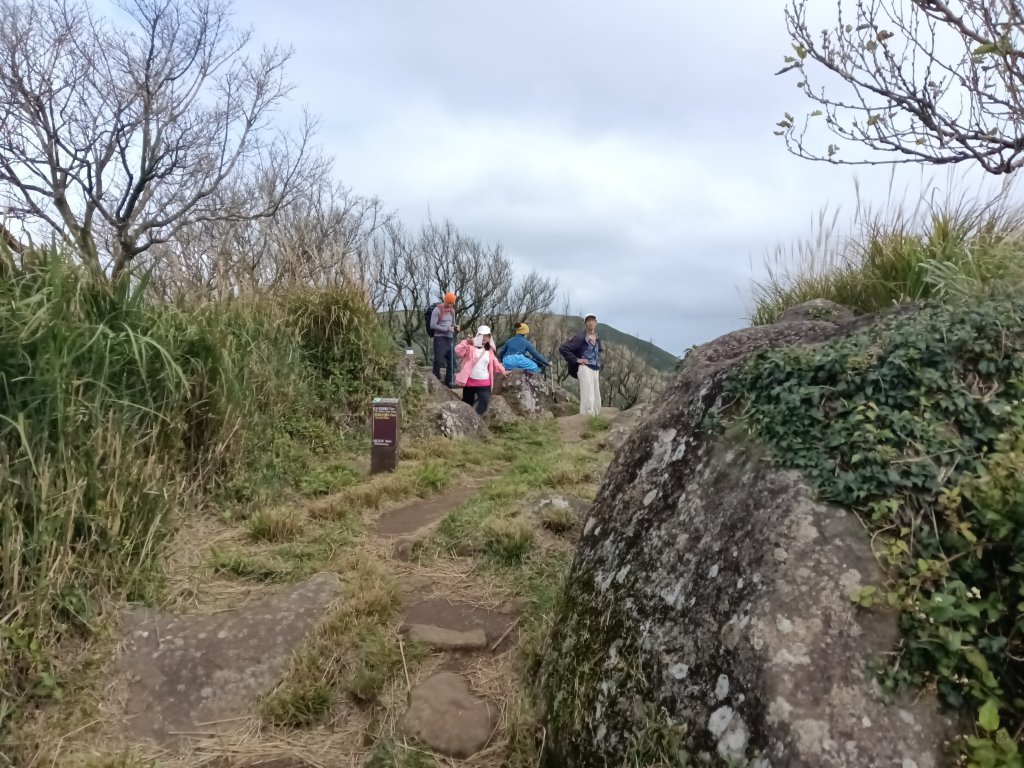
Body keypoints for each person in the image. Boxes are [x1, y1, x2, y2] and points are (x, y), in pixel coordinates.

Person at [455, 325, 507, 416]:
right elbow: (458, 351)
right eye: (482, 335)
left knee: (483, 405)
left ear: (490, 337)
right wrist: (466, 342)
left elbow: (495, 361)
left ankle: (477, 421)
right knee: (467, 404)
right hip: (470, 382)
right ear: (478, 335)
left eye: (487, 335)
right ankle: (468, 422)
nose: (484, 338)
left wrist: (503, 370)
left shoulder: (489, 350)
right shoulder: (470, 347)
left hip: (484, 383)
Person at [559, 313, 603, 416]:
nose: (590, 322)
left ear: (596, 323)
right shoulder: (580, 337)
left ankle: (595, 418)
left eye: (592, 320)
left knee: (596, 394)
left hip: (595, 369)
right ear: (585, 323)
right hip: (585, 368)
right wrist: (576, 359)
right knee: (588, 394)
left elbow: (598, 351)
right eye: (588, 321)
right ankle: (586, 417)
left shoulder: (597, 338)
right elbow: (563, 348)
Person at [429, 292, 459, 387]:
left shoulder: (452, 311)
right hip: (439, 338)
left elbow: (453, 323)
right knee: (438, 360)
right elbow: (432, 325)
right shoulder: (437, 310)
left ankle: (449, 381)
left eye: (452, 303)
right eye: (448, 303)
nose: (450, 305)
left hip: (449, 338)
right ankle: (435, 379)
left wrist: (456, 327)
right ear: (445, 300)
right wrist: (446, 329)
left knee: (452, 361)